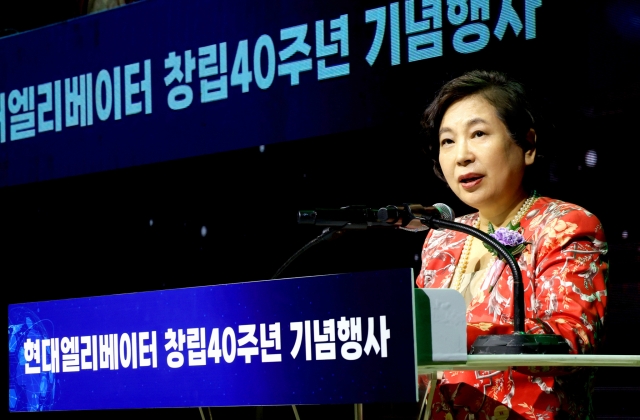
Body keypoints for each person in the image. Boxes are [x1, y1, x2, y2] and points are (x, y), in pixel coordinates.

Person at [416, 70, 608, 419]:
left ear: (528, 145)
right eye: (447, 141)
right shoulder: (442, 238)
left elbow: (571, 339)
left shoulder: (564, 225)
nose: (462, 155)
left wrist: (457, 335)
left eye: (478, 134)